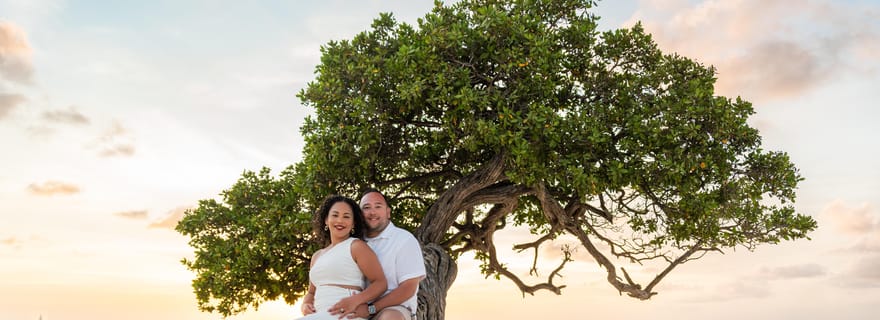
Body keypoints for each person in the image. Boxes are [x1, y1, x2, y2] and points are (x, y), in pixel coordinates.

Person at [331, 188, 426, 320]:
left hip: (393, 308)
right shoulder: (352, 243)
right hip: (354, 308)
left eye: (378, 206)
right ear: (359, 215)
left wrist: (371, 309)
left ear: (388, 212)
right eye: (366, 207)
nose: (372, 212)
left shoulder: (404, 239)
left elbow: (408, 287)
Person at [299, 195, 387, 320]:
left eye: (346, 216)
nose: (340, 221)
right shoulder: (317, 256)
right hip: (318, 314)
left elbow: (380, 283)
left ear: (353, 223)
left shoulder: (356, 246)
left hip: (345, 315)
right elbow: (311, 292)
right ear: (326, 220)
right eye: (335, 215)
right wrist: (305, 305)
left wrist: (356, 300)